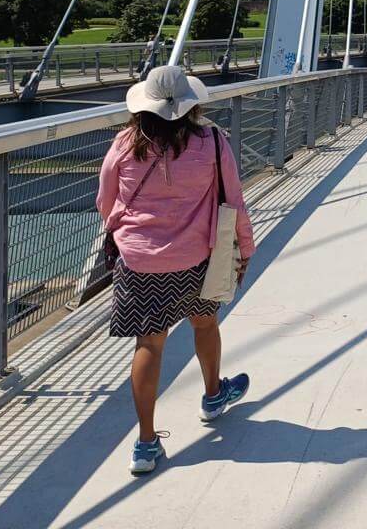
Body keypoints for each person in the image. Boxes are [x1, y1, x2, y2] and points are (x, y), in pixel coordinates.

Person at [97, 65, 255, 476]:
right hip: (196, 258)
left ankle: (146, 443)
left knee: (149, 345)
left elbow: (105, 201)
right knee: (205, 323)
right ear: (189, 105)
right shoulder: (212, 142)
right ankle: (213, 396)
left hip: (139, 263)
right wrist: (245, 248)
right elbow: (234, 199)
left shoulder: (124, 144)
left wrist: (134, 232)